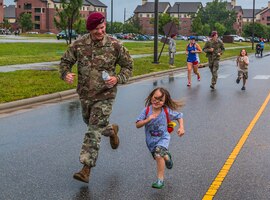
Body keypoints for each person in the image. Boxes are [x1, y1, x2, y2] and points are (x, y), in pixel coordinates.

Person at [59, 12, 133, 183]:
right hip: (85, 94)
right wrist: (66, 74)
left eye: (102, 27)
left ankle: (86, 168)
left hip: (105, 95)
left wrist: (118, 79)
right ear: (90, 30)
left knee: (92, 130)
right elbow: (65, 61)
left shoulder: (115, 45)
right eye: (96, 29)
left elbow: (128, 66)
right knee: (91, 123)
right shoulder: (79, 45)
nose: (100, 31)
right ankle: (111, 130)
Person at [136, 87, 185, 189]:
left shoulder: (166, 111)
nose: (157, 101)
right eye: (155, 98)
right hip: (150, 141)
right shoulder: (146, 111)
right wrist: (147, 120)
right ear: (151, 97)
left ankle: (160, 180)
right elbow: (138, 124)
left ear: (164, 102)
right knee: (160, 156)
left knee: (158, 155)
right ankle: (167, 157)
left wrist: (181, 127)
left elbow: (179, 116)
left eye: (160, 100)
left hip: (163, 138)